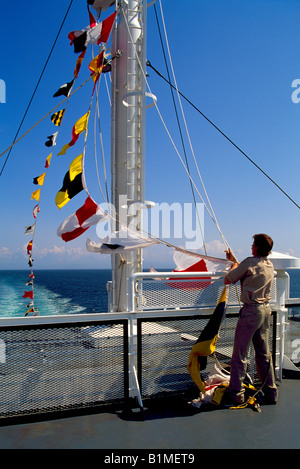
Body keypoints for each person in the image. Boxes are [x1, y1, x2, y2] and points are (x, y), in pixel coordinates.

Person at [223, 234, 278, 405]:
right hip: (265, 312)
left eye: (253, 244)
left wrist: (233, 264)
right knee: (264, 355)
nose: (251, 246)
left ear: (256, 247)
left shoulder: (248, 262)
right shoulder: (269, 264)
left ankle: (236, 395)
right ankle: (271, 392)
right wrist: (237, 262)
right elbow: (252, 268)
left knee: (239, 355)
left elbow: (228, 279)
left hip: (250, 313)